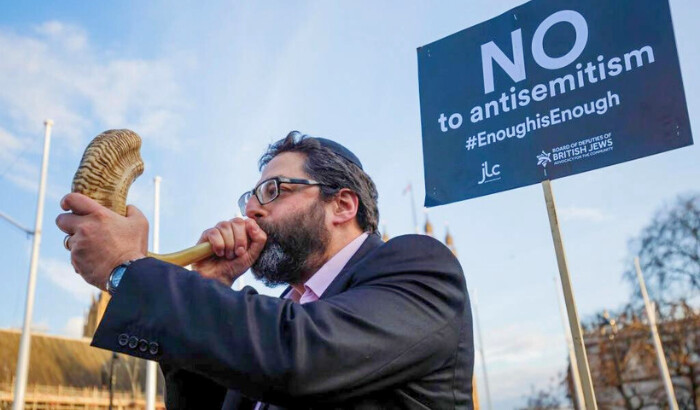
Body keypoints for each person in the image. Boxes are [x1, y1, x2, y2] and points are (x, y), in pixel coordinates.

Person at [56, 131, 474, 409]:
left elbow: (299, 355)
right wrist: (207, 285)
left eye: (273, 190)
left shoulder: (419, 267)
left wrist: (127, 269)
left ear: (343, 206)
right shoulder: (270, 323)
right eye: (250, 198)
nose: (252, 209)